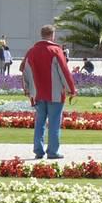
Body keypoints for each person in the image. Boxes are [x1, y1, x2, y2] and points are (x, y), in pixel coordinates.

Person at [22, 24, 76, 160]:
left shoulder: (31, 51)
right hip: (55, 94)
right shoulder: (55, 50)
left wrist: (27, 89)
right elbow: (64, 72)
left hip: (37, 93)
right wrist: (71, 89)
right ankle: (52, 151)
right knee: (54, 122)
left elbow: (24, 71)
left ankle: (38, 150)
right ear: (52, 35)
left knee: (39, 122)